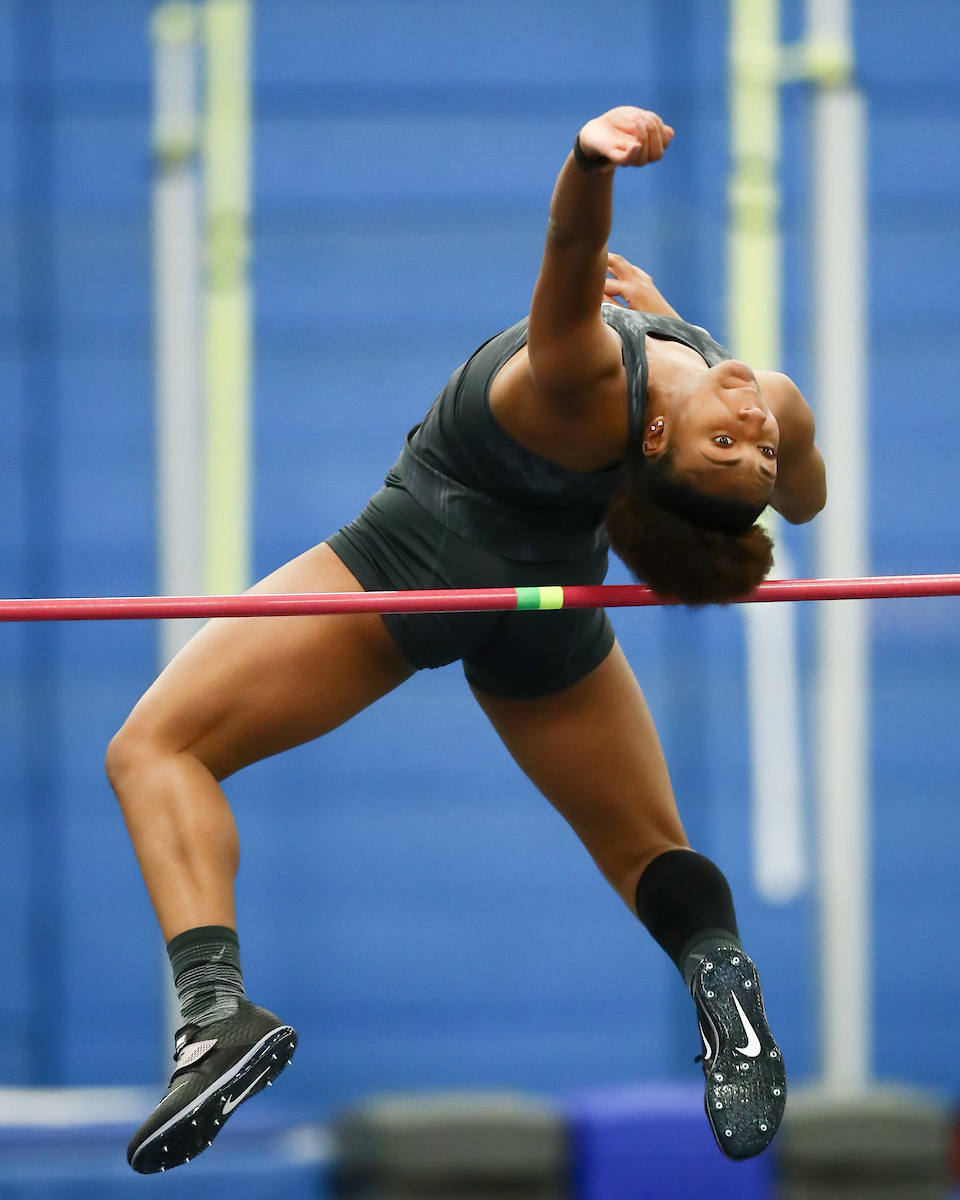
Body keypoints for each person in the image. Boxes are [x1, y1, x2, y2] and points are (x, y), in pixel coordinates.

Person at [107, 105, 825, 1174]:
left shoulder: (585, 385)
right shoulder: (765, 395)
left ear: (656, 444)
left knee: (156, 749)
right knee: (640, 849)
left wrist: (590, 158)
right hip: (551, 602)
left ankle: (214, 1014)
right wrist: (745, 415)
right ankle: (721, 976)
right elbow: (802, 501)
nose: (757, 434)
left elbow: (571, 248)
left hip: (416, 562)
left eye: (740, 446)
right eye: (750, 452)